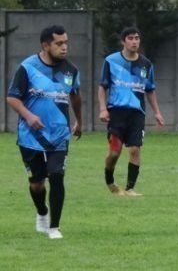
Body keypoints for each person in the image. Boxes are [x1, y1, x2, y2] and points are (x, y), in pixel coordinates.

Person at [5, 25, 83, 239]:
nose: (64, 47)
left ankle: (54, 227)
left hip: (59, 134)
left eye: (66, 42)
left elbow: (75, 96)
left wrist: (80, 121)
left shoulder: (71, 70)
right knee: (37, 183)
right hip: (31, 136)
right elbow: (12, 97)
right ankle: (42, 213)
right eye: (59, 43)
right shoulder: (28, 67)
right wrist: (29, 116)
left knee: (57, 175)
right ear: (46, 45)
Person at [98, 26, 165, 196]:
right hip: (116, 112)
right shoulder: (111, 61)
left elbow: (150, 89)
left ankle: (130, 188)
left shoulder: (146, 64)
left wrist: (157, 112)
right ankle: (110, 181)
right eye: (131, 38)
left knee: (135, 149)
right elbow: (102, 87)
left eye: (137, 38)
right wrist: (102, 109)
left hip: (137, 113)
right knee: (114, 152)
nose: (134, 41)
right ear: (123, 41)